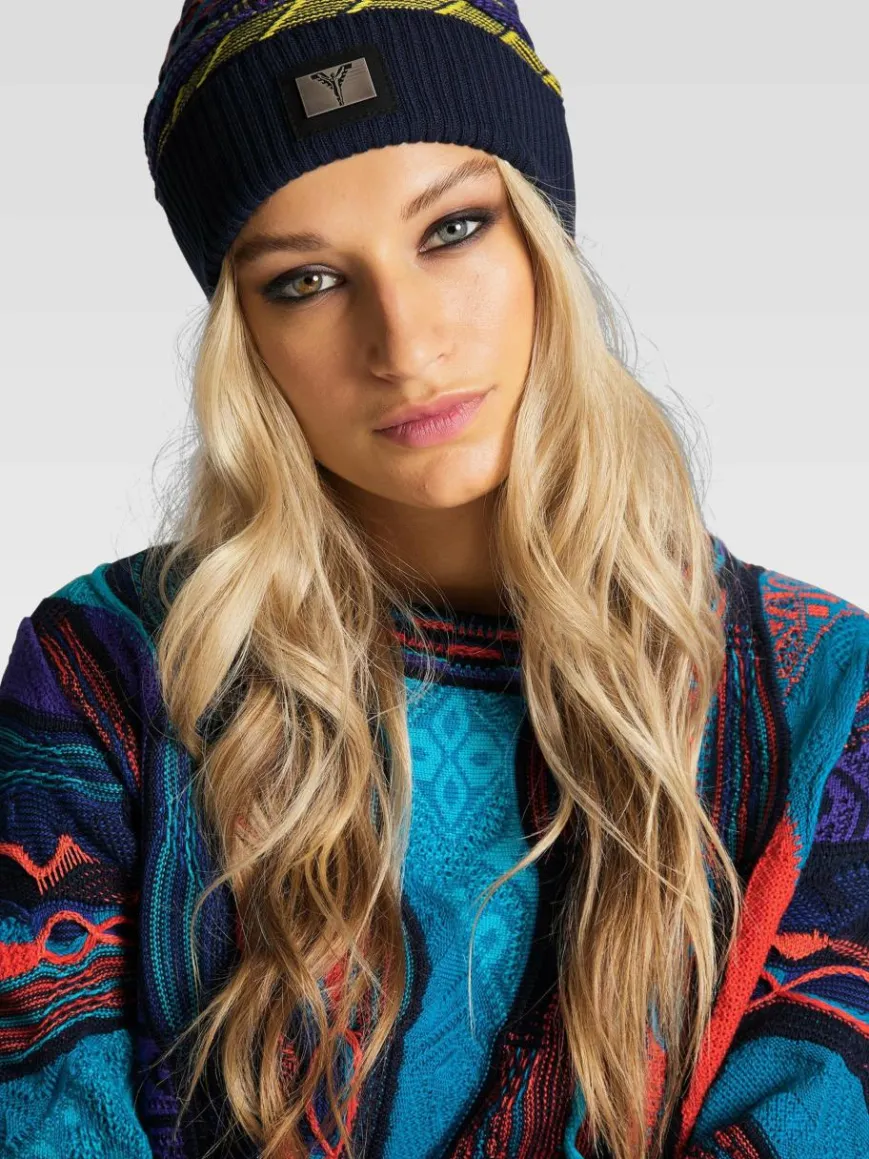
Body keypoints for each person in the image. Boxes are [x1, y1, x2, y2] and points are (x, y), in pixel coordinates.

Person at [1, 2, 867, 1158]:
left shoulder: (822, 698)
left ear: (541, 242)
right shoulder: (105, 678)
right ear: (242, 334)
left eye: (452, 229)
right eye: (306, 280)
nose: (404, 345)